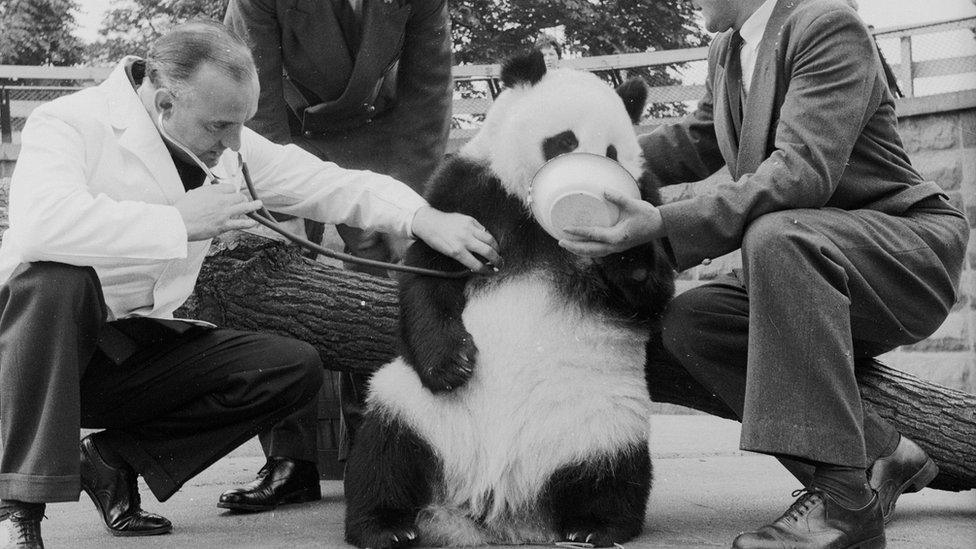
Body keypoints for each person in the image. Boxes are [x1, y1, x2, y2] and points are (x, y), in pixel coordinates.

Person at [0, 20, 498, 548]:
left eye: (241, 124)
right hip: (31, 354)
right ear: (165, 102)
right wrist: (177, 220)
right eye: (220, 126)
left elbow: (331, 183)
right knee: (55, 280)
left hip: (124, 349)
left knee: (288, 368)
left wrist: (422, 218)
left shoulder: (228, 144)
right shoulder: (69, 123)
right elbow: (39, 226)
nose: (234, 143)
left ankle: (109, 460)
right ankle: (17, 508)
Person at [559, 0, 968, 548]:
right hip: (815, 264)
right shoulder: (729, 50)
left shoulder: (825, 23)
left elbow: (802, 174)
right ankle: (883, 452)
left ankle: (847, 506)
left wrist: (659, 224)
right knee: (692, 320)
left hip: (902, 254)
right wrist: (587, 172)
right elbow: (694, 141)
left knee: (776, 234)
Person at [221, 0, 455, 509]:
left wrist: (407, 207)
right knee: (276, 273)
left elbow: (428, 92)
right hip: (278, 134)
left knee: (389, 274)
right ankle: (291, 462)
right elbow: (249, 96)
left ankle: (379, 454)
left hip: (381, 138)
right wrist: (273, 209)